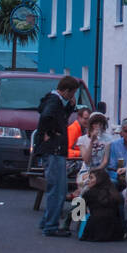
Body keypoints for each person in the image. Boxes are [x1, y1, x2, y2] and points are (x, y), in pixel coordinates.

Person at [36, 76, 80, 236]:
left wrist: (69, 108)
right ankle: (51, 226)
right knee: (58, 190)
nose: (72, 96)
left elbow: (52, 115)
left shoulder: (52, 100)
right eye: (72, 92)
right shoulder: (55, 101)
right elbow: (47, 116)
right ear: (67, 90)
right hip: (54, 150)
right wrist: (50, 133)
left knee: (55, 188)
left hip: (52, 150)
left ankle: (46, 221)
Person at [79, 169, 126, 242]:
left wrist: (83, 190)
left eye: (91, 178)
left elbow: (79, 212)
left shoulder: (89, 193)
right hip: (115, 231)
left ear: (99, 180)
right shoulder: (114, 193)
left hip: (96, 230)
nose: (88, 180)